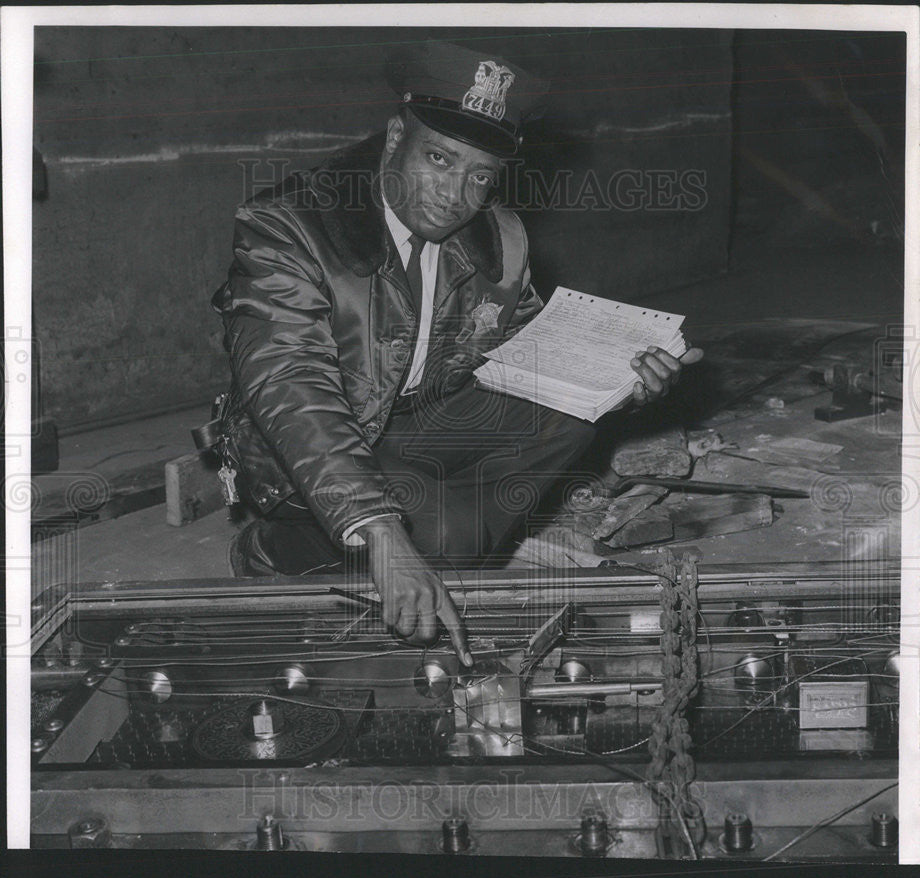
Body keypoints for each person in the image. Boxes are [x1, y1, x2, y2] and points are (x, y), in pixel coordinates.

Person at [210, 40, 702, 666]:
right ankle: (281, 548)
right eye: (439, 160)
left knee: (571, 413)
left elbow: (527, 358)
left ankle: (447, 548)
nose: (455, 194)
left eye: (480, 176)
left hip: (416, 420)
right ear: (394, 138)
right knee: (430, 528)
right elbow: (291, 386)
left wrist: (620, 381)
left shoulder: (498, 237)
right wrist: (384, 532)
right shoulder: (290, 227)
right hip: (302, 451)